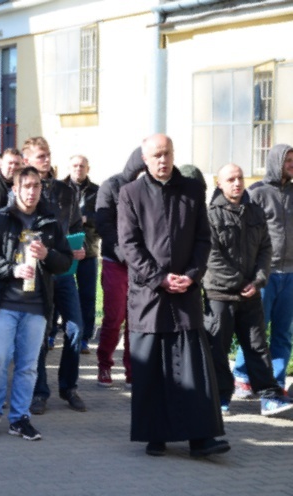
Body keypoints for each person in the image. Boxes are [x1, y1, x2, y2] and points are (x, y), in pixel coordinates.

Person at [118, 133, 228, 458]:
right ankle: (155, 436)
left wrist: (191, 277)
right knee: (151, 369)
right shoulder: (131, 194)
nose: (162, 160)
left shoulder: (193, 190)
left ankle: (201, 438)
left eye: (166, 153)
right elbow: (130, 245)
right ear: (145, 159)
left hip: (185, 294)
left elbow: (203, 240)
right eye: (156, 156)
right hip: (149, 297)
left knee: (193, 369)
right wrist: (160, 279)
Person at [0, 166, 73, 440]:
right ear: (15, 189)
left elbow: (65, 262)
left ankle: (19, 418)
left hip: (36, 307)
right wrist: (10, 270)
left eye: (36, 186)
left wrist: (47, 255)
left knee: (28, 365)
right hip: (3, 304)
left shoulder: (49, 222)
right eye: (26, 186)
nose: (31, 191)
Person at [204, 163, 293, 417]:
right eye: (230, 179)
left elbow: (266, 247)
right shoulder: (211, 215)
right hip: (221, 294)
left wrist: (258, 279)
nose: (237, 183)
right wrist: (240, 282)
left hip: (250, 292)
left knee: (257, 346)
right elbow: (212, 257)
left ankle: (268, 397)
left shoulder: (254, 212)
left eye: (240, 178)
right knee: (217, 349)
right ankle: (220, 398)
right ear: (219, 183)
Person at [22, 136, 86, 414]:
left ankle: (69, 387)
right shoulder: (24, 189)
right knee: (40, 332)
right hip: (36, 272)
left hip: (63, 270)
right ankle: (39, 391)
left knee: (75, 328)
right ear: (27, 161)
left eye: (47, 155)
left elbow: (73, 226)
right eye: (40, 156)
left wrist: (79, 246)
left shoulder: (66, 191)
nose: (46, 160)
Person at [234, 144, 293, 396]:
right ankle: (242, 375)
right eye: (288, 160)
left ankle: (276, 383)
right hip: (264, 274)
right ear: (276, 162)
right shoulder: (256, 193)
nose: (291, 164)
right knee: (255, 328)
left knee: (283, 332)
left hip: (290, 273)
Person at [94, 148, 144, 388]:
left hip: (141, 266)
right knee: (114, 318)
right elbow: (103, 225)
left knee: (136, 319)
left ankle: (133, 370)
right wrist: (125, 254)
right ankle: (104, 364)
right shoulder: (111, 186)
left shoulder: (148, 188)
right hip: (116, 262)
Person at [62, 155, 99, 353]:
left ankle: (85, 338)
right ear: (69, 167)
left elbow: (104, 216)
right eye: (75, 165)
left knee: (87, 295)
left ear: (88, 168)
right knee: (59, 293)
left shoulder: (96, 191)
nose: (78, 168)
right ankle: (52, 334)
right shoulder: (60, 188)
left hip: (89, 250)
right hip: (64, 249)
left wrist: (87, 218)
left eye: (82, 166)